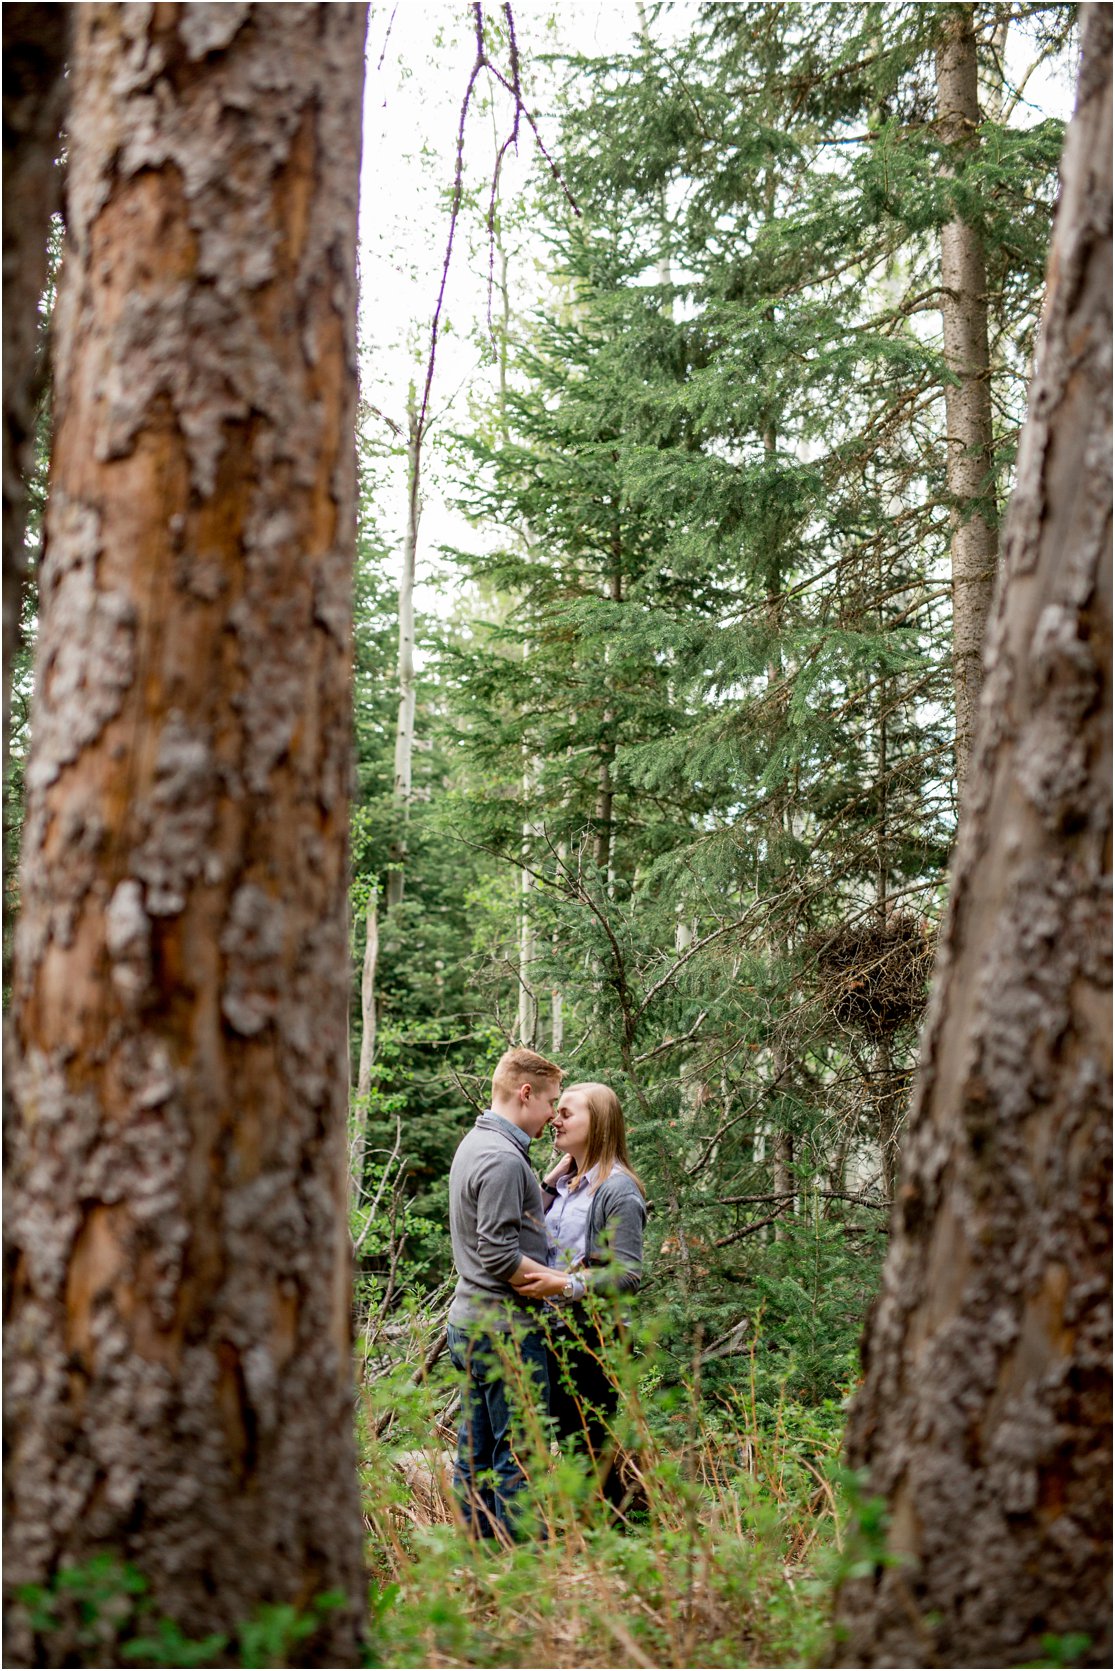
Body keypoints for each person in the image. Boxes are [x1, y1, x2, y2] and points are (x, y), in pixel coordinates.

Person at [445, 1045, 565, 1539]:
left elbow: (499, 1220)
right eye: (551, 1102)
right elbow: (496, 1253)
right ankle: (524, 1582)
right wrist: (554, 1285)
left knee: (475, 1455)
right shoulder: (502, 1159)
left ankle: (479, 1567)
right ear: (525, 1092)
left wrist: (548, 1183)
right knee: (520, 1458)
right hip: (505, 1331)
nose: (554, 1114)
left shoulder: (481, 1145)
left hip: (473, 1323)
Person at [514, 1081, 648, 1510]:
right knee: (569, 1451)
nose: (555, 1118)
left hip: (595, 1338)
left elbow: (627, 1275)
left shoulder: (618, 1189)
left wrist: (566, 1285)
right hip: (556, 1332)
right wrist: (553, 1180)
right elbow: (527, 1222)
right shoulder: (568, 1185)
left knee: (590, 1456)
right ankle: (586, 1549)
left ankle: (612, 1552)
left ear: (600, 1123)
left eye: (567, 1113)